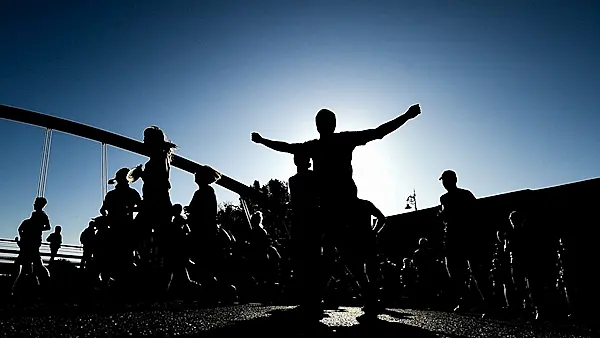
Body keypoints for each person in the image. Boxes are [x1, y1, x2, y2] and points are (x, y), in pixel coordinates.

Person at [252, 104, 421, 317]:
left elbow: (286, 147)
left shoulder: (315, 146)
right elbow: (379, 132)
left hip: (331, 207)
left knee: (335, 253)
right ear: (333, 124)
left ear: (317, 126)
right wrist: (406, 116)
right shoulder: (344, 139)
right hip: (345, 204)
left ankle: (324, 296)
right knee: (344, 253)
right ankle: (351, 295)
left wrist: (262, 141)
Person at [438, 169, 491, 316]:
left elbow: (453, 215)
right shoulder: (463, 195)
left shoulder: (448, 198)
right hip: (462, 237)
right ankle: (472, 302)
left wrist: (444, 215)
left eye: (445, 180)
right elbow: (476, 214)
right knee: (466, 272)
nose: (444, 183)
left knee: (463, 272)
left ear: (452, 180)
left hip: (459, 238)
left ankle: (476, 302)